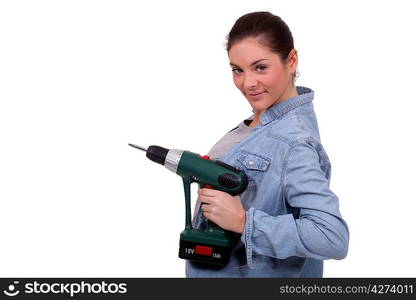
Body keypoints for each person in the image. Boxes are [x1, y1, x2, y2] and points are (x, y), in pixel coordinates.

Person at [185, 11, 349, 277]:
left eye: (260, 67)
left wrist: (244, 221)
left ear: (291, 61)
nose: (247, 83)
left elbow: (331, 237)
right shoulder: (261, 122)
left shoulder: (293, 142)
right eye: (237, 70)